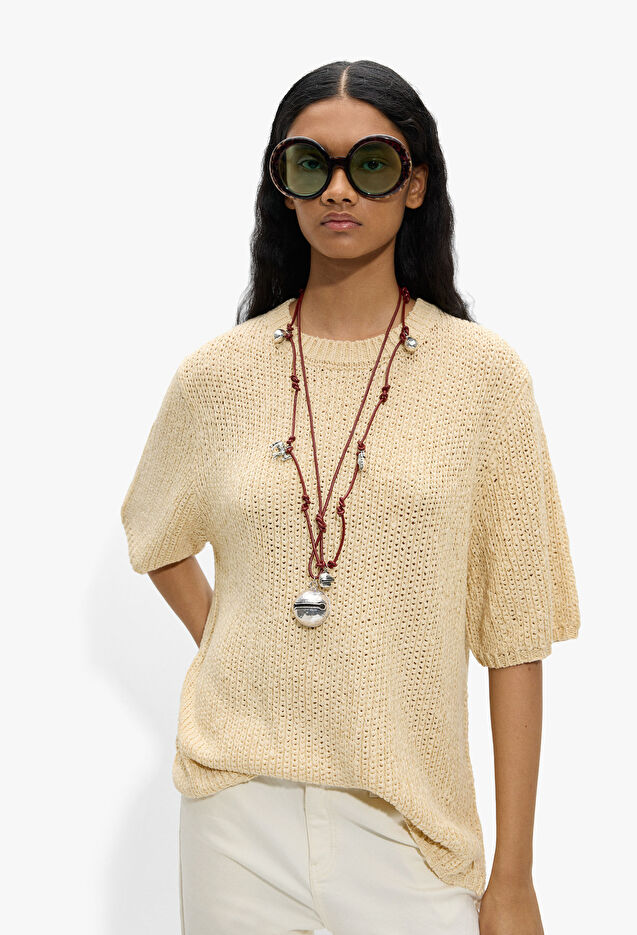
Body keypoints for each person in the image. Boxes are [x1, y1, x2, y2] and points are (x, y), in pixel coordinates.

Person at [120, 59, 581, 935]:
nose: (339, 189)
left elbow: (516, 633)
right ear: (282, 186)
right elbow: (155, 532)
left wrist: (514, 876)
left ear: (416, 184)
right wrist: (236, 644)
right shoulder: (218, 376)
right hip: (235, 817)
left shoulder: (484, 378)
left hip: (410, 829)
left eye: (370, 164)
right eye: (310, 165)